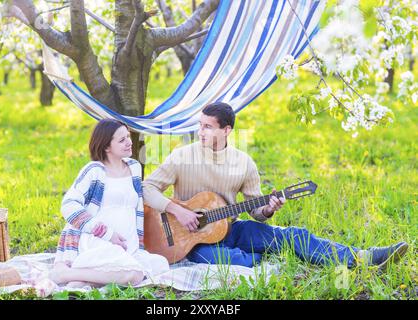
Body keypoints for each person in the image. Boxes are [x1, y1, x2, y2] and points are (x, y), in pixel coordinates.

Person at [142, 102, 408, 270]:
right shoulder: (181, 156)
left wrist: (268, 210)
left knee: (293, 235)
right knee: (229, 261)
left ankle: (361, 257)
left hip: (230, 228)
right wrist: (179, 211)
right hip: (191, 240)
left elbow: (256, 212)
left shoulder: (244, 163)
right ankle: (254, 256)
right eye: (199, 126)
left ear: (226, 131)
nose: (200, 132)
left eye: (208, 127)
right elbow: (148, 188)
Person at [50, 119, 169, 288]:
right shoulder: (95, 170)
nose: (129, 142)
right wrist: (106, 233)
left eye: (128, 136)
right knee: (135, 276)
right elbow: (69, 205)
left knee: (160, 263)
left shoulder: (134, 167)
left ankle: (83, 280)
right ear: (106, 147)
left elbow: (137, 205)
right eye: (122, 140)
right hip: (100, 241)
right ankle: (66, 274)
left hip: (128, 245)